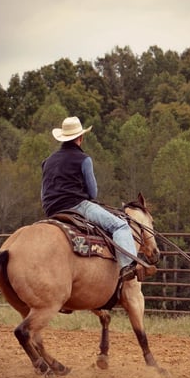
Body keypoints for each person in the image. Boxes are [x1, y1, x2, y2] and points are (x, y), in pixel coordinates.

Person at [41, 116, 145, 281]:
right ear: (80, 138)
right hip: (76, 205)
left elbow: (44, 192)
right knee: (120, 226)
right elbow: (93, 193)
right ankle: (127, 266)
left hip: (51, 209)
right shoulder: (84, 159)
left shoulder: (47, 161)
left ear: (62, 137)